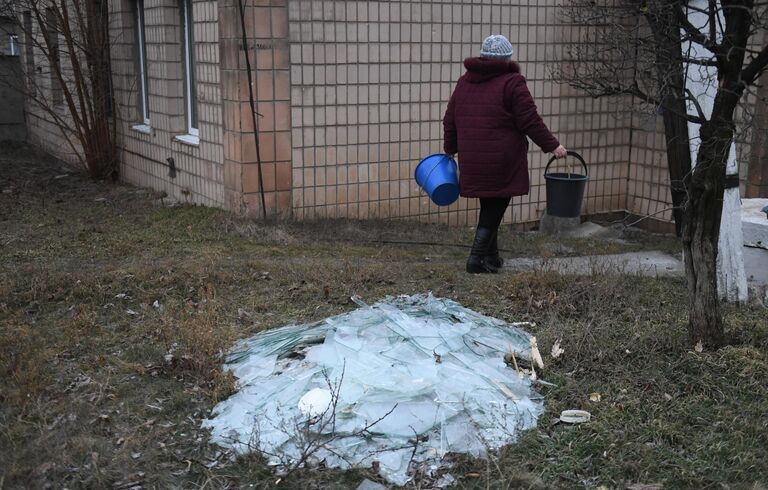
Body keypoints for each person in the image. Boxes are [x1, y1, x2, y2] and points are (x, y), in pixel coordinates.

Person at [443, 34, 567, 274]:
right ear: (506, 58)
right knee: (495, 207)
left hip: (473, 158)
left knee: (490, 205)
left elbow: (450, 119)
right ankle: (476, 258)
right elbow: (529, 120)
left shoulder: (464, 82)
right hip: (501, 159)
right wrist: (553, 146)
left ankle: (492, 256)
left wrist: (451, 149)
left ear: (483, 56)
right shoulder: (512, 82)